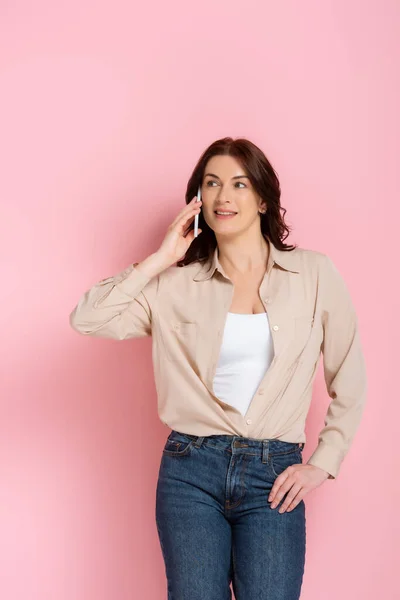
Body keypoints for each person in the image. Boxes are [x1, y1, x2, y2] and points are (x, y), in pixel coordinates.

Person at [69, 137, 367, 600]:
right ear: (198, 200)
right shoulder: (175, 284)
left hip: (274, 476)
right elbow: (88, 318)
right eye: (212, 184)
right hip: (190, 471)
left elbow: (350, 377)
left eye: (239, 184)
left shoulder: (314, 275)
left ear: (263, 199)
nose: (223, 196)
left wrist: (323, 464)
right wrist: (161, 258)